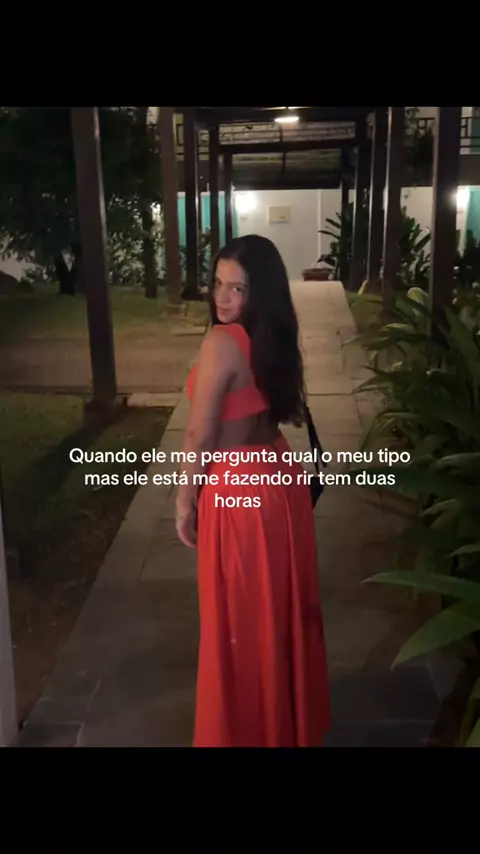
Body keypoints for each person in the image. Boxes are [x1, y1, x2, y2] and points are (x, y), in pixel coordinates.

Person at [175, 234, 330, 747]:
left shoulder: (222, 343)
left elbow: (199, 435)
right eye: (217, 283)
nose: (221, 297)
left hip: (240, 489)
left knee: (241, 619)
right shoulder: (272, 337)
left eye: (236, 288)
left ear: (258, 292)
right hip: (278, 477)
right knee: (275, 611)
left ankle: (249, 730)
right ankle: (280, 723)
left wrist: (184, 500)